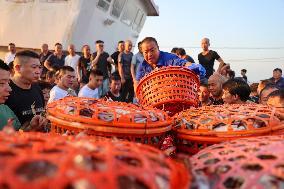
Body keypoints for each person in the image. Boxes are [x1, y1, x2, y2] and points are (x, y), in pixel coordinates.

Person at [0, 59, 47, 131]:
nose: (9, 89)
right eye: (2, 83)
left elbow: (16, 136)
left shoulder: (4, 108)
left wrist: (31, 128)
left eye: (8, 83)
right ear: (18, 68)